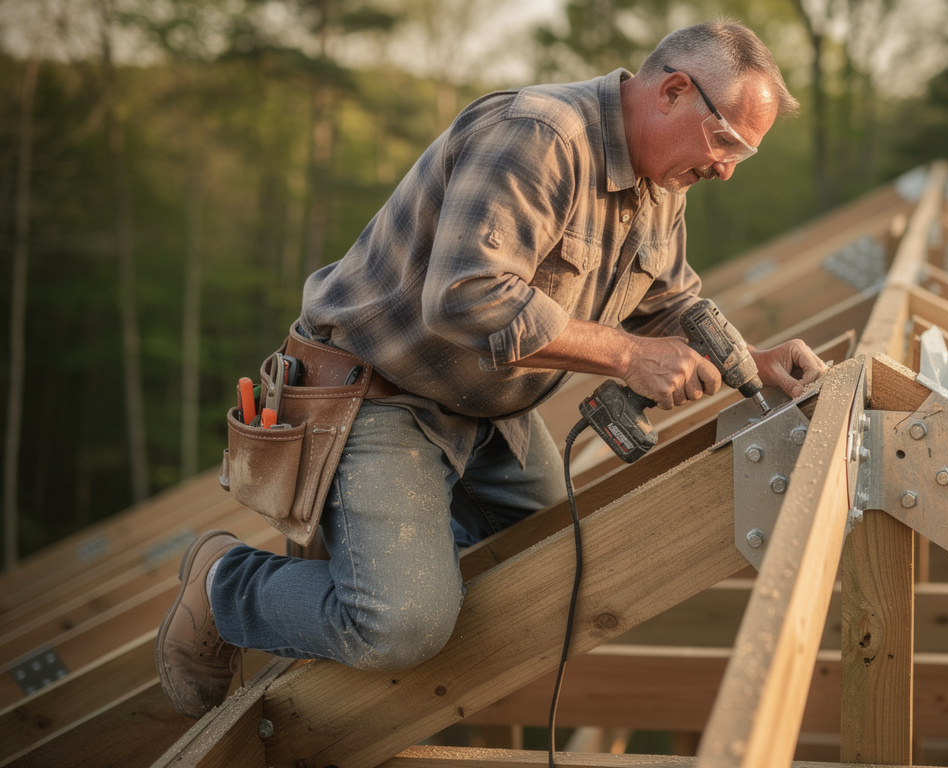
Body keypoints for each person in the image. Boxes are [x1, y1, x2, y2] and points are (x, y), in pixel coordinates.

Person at [155, 18, 826, 718]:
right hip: (378, 395)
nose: (725, 168)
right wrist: (627, 355)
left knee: (556, 573)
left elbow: (670, 300)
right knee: (402, 624)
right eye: (726, 142)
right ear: (674, 91)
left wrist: (754, 359)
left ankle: (374, 563)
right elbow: (465, 295)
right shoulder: (540, 135)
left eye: (741, 155)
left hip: (487, 413)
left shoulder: (661, 183)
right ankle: (223, 583)